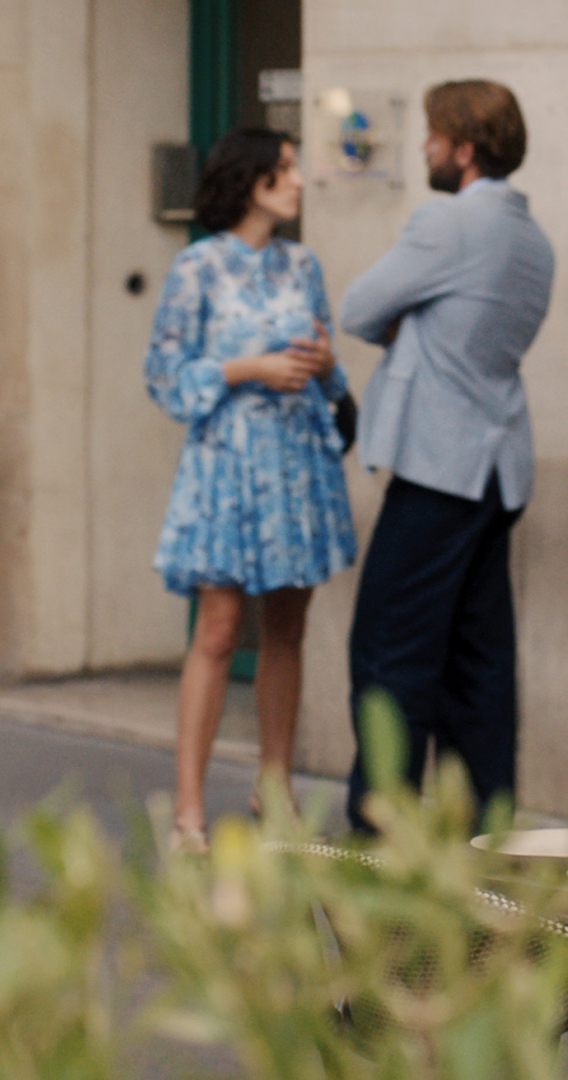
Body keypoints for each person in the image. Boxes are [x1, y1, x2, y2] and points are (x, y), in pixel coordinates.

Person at [340, 80, 554, 832]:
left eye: (433, 135)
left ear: (463, 148)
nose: (425, 147)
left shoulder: (449, 224)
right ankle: (481, 850)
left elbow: (360, 307)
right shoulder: (532, 238)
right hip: (497, 473)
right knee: (479, 670)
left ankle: (380, 848)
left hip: (438, 468)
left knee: (387, 661)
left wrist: (411, 325)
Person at [144, 128, 356, 852]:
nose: (299, 181)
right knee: (219, 631)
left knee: (288, 630)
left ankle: (277, 791)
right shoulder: (197, 267)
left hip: (296, 466)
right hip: (227, 470)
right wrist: (249, 370)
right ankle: (190, 810)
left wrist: (326, 365)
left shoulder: (304, 265)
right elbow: (164, 375)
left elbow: (335, 380)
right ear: (253, 179)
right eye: (287, 169)